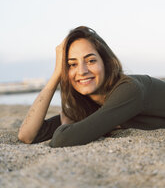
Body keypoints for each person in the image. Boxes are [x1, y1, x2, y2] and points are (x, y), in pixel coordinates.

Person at [18, 26, 165, 147]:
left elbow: (61, 140)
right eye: (72, 64)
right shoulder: (89, 103)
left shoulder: (128, 89)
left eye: (90, 61)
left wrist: (65, 125)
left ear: (106, 63)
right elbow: (27, 135)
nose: (82, 71)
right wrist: (57, 74)